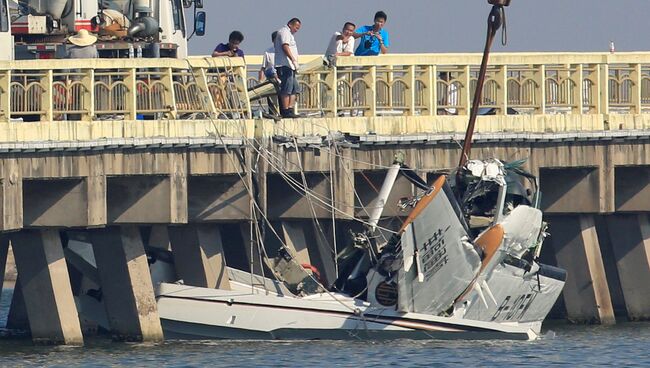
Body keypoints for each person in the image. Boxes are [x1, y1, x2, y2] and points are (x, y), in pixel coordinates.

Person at [274, 18, 302, 119]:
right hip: (285, 65)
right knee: (286, 88)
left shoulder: (289, 34)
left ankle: (290, 109)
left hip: (291, 66)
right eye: (296, 27)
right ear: (290, 24)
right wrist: (293, 60)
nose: (296, 30)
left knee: (294, 88)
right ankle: (285, 110)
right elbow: (285, 46)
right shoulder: (284, 32)